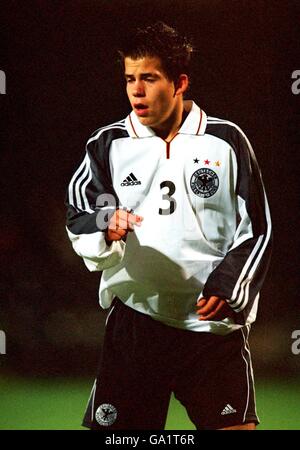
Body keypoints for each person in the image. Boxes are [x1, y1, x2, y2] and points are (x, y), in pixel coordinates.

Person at [65, 22, 272, 430]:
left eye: (149, 78)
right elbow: (80, 213)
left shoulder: (226, 141)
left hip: (210, 330)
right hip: (137, 325)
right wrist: (107, 224)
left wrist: (229, 285)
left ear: (179, 82)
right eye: (129, 79)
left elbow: (258, 229)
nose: (136, 91)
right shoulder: (107, 144)